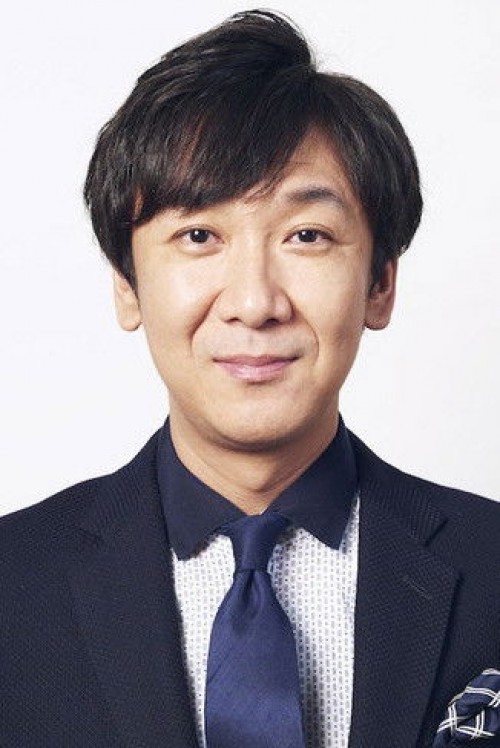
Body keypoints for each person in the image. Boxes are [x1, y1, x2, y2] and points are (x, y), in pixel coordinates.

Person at [1, 10, 499, 748]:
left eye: (307, 235)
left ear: (380, 284)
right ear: (127, 285)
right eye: (199, 235)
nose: (255, 302)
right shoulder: (14, 582)